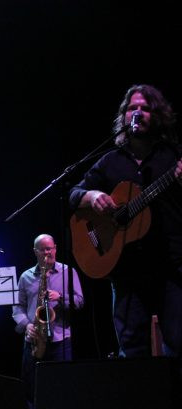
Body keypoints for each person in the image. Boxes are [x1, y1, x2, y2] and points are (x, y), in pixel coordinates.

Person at [69, 84, 182, 359]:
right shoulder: (109, 162)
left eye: (146, 108)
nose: (139, 112)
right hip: (127, 271)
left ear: (157, 116)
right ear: (124, 116)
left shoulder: (173, 156)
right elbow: (73, 194)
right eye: (133, 108)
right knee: (132, 351)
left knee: (178, 345)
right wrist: (92, 195)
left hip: (171, 266)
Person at [12, 234, 84, 402]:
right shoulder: (25, 276)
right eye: (43, 250)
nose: (47, 253)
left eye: (50, 248)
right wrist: (26, 325)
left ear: (56, 248)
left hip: (61, 339)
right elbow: (17, 307)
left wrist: (59, 297)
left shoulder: (68, 272)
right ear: (35, 252)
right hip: (34, 339)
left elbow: (80, 302)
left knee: (62, 387)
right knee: (33, 389)